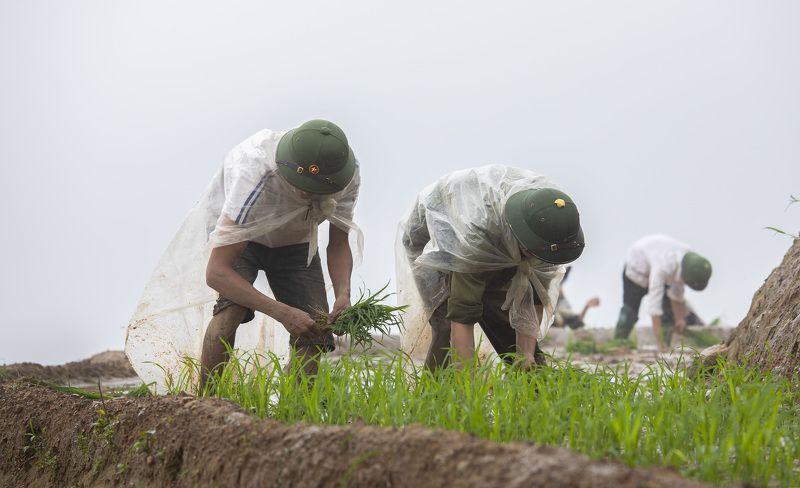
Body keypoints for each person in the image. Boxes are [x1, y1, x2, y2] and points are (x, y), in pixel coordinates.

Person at [200, 119, 361, 384]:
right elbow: (217, 273)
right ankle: (206, 402)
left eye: (317, 190)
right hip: (243, 237)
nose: (308, 194)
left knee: (315, 326)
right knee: (231, 310)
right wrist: (283, 313)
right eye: (303, 186)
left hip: (295, 241)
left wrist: (344, 292)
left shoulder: (346, 174)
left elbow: (339, 241)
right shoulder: (255, 171)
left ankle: (294, 413)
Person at [398, 165, 585, 371]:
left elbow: (534, 300)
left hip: (500, 233)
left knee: (504, 319)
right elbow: (463, 316)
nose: (539, 260)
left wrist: (527, 356)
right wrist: (467, 388)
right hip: (434, 234)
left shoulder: (551, 233)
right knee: (445, 322)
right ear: (523, 243)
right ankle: (437, 395)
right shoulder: (475, 241)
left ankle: (534, 384)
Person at [613, 234, 712, 349]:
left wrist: (680, 318)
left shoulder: (688, 260)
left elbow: (677, 292)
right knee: (630, 310)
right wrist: (658, 341)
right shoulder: (663, 268)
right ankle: (618, 343)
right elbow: (654, 306)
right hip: (636, 270)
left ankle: (667, 342)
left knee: (668, 311)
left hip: (656, 265)